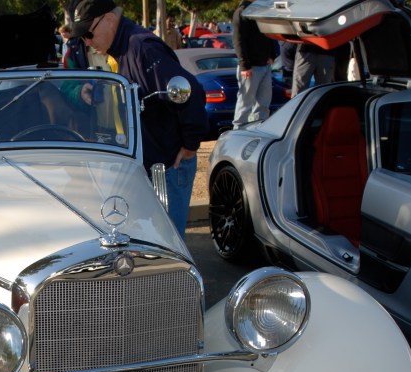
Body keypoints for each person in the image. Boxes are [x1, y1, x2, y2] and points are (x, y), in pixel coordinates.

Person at [72, 0, 208, 237]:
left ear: (110, 19)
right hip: (144, 166)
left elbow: (190, 91)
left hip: (166, 167)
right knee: (140, 241)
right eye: (82, 37)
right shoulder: (120, 51)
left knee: (167, 245)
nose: (87, 41)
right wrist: (96, 92)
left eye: (88, 33)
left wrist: (189, 146)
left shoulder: (142, 48)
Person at [232, 0, 275, 128]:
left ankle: (259, 129)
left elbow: (268, 33)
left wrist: (272, 55)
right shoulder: (241, 12)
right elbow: (238, 40)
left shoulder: (261, 9)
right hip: (250, 67)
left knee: (263, 104)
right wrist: (245, 65)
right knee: (245, 103)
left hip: (265, 65)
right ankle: (238, 132)